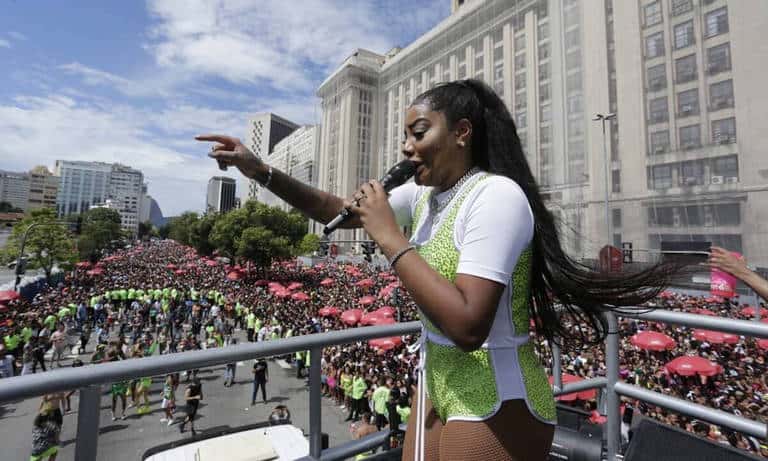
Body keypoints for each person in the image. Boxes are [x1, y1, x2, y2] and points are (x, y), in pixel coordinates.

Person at [198, 92, 683, 461]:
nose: (407, 147)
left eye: (419, 133)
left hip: (495, 391)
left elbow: (469, 326)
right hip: (436, 381)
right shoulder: (426, 195)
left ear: (462, 133)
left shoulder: (497, 196)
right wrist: (258, 170)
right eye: (405, 137)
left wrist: (390, 237)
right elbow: (336, 209)